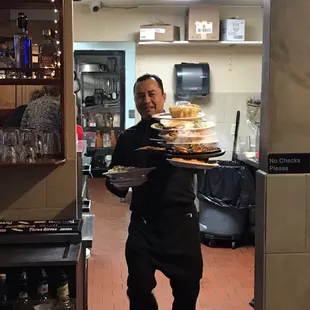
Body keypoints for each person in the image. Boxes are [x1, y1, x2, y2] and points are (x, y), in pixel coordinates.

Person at [106, 74, 203, 310]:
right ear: (135, 100)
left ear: (163, 97)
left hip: (182, 221)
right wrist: (120, 185)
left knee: (187, 291)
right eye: (140, 96)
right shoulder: (128, 138)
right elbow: (112, 177)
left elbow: (203, 157)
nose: (146, 100)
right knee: (138, 289)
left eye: (152, 94)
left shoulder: (183, 133)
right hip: (144, 223)